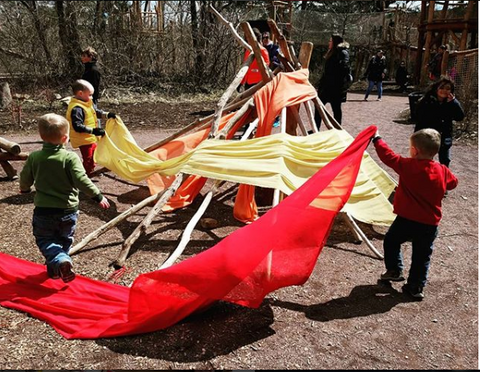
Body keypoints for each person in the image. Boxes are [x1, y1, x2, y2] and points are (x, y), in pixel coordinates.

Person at [19, 113, 110, 282]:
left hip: (44, 211)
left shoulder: (35, 157)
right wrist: (97, 196)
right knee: (64, 241)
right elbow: (82, 180)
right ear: (65, 138)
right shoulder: (70, 157)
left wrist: (24, 189)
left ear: (41, 136)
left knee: (45, 240)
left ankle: (60, 263)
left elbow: (25, 178)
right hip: (68, 211)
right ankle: (58, 268)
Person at [371, 128, 458, 300]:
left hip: (406, 220)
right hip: (429, 223)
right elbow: (453, 183)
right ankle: (415, 286)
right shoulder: (442, 170)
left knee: (391, 241)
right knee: (422, 255)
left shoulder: (407, 165)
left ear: (415, 150)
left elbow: (387, 156)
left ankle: (394, 269)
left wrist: (377, 138)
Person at [66, 79, 116, 177]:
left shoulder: (87, 103)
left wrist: (107, 115)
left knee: (94, 156)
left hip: (90, 138)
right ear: (80, 93)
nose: (91, 97)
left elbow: (96, 112)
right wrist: (93, 131)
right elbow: (77, 126)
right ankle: (84, 176)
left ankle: (89, 172)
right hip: (83, 139)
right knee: (88, 159)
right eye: (89, 95)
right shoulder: (77, 108)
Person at [414, 77, 464, 168]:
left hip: (444, 137)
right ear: (436, 88)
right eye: (442, 88)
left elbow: (460, 117)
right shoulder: (427, 101)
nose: (444, 91)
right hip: (427, 137)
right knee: (424, 162)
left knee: (445, 161)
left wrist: (454, 103)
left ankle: (443, 180)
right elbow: (418, 118)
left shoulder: (451, 103)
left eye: (448, 88)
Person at [315, 33, 351, 128]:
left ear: (335, 42)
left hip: (336, 88)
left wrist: (337, 83)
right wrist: (320, 84)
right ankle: (316, 128)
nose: (329, 43)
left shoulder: (342, 53)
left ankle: (338, 129)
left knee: (336, 109)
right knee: (319, 107)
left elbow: (344, 69)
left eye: (330, 41)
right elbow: (327, 71)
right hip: (326, 87)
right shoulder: (332, 52)